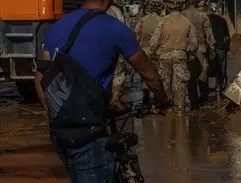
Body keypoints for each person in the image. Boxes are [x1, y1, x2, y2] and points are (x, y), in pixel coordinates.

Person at [34, 0, 168, 182]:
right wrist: (161, 101)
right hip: (89, 134)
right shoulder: (115, 29)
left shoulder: (58, 27)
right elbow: (149, 74)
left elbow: (41, 79)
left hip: (60, 133)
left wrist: (57, 114)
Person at [149, 0, 197, 113]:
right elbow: (194, 44)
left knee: (165, 83)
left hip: (164, 56)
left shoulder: (163, 21)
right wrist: (187, 51)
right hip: (180, 56)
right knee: (180, 84)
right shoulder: (187, 22)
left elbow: (154, 42)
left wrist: (152, 53)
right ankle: (179, 110)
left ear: (168, 8)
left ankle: (166, 110)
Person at [182, 0, 215, 108]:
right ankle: (204, 98)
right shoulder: (203, 15)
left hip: (188, 50)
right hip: (202, 48)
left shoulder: (183, 15)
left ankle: (193, 100)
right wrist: (212, 48)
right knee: (203, 73)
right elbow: (209, 33)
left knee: (191, 76)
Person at [206, 4, 230, 90]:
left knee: (206, 68)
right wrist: (226, 47)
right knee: (221, 67)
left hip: (208, 48)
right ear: (214, 11)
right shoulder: (222, 20)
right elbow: (227, 36)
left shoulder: (205, 20)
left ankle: (206, 89)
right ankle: (219, 86)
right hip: (220, 47)